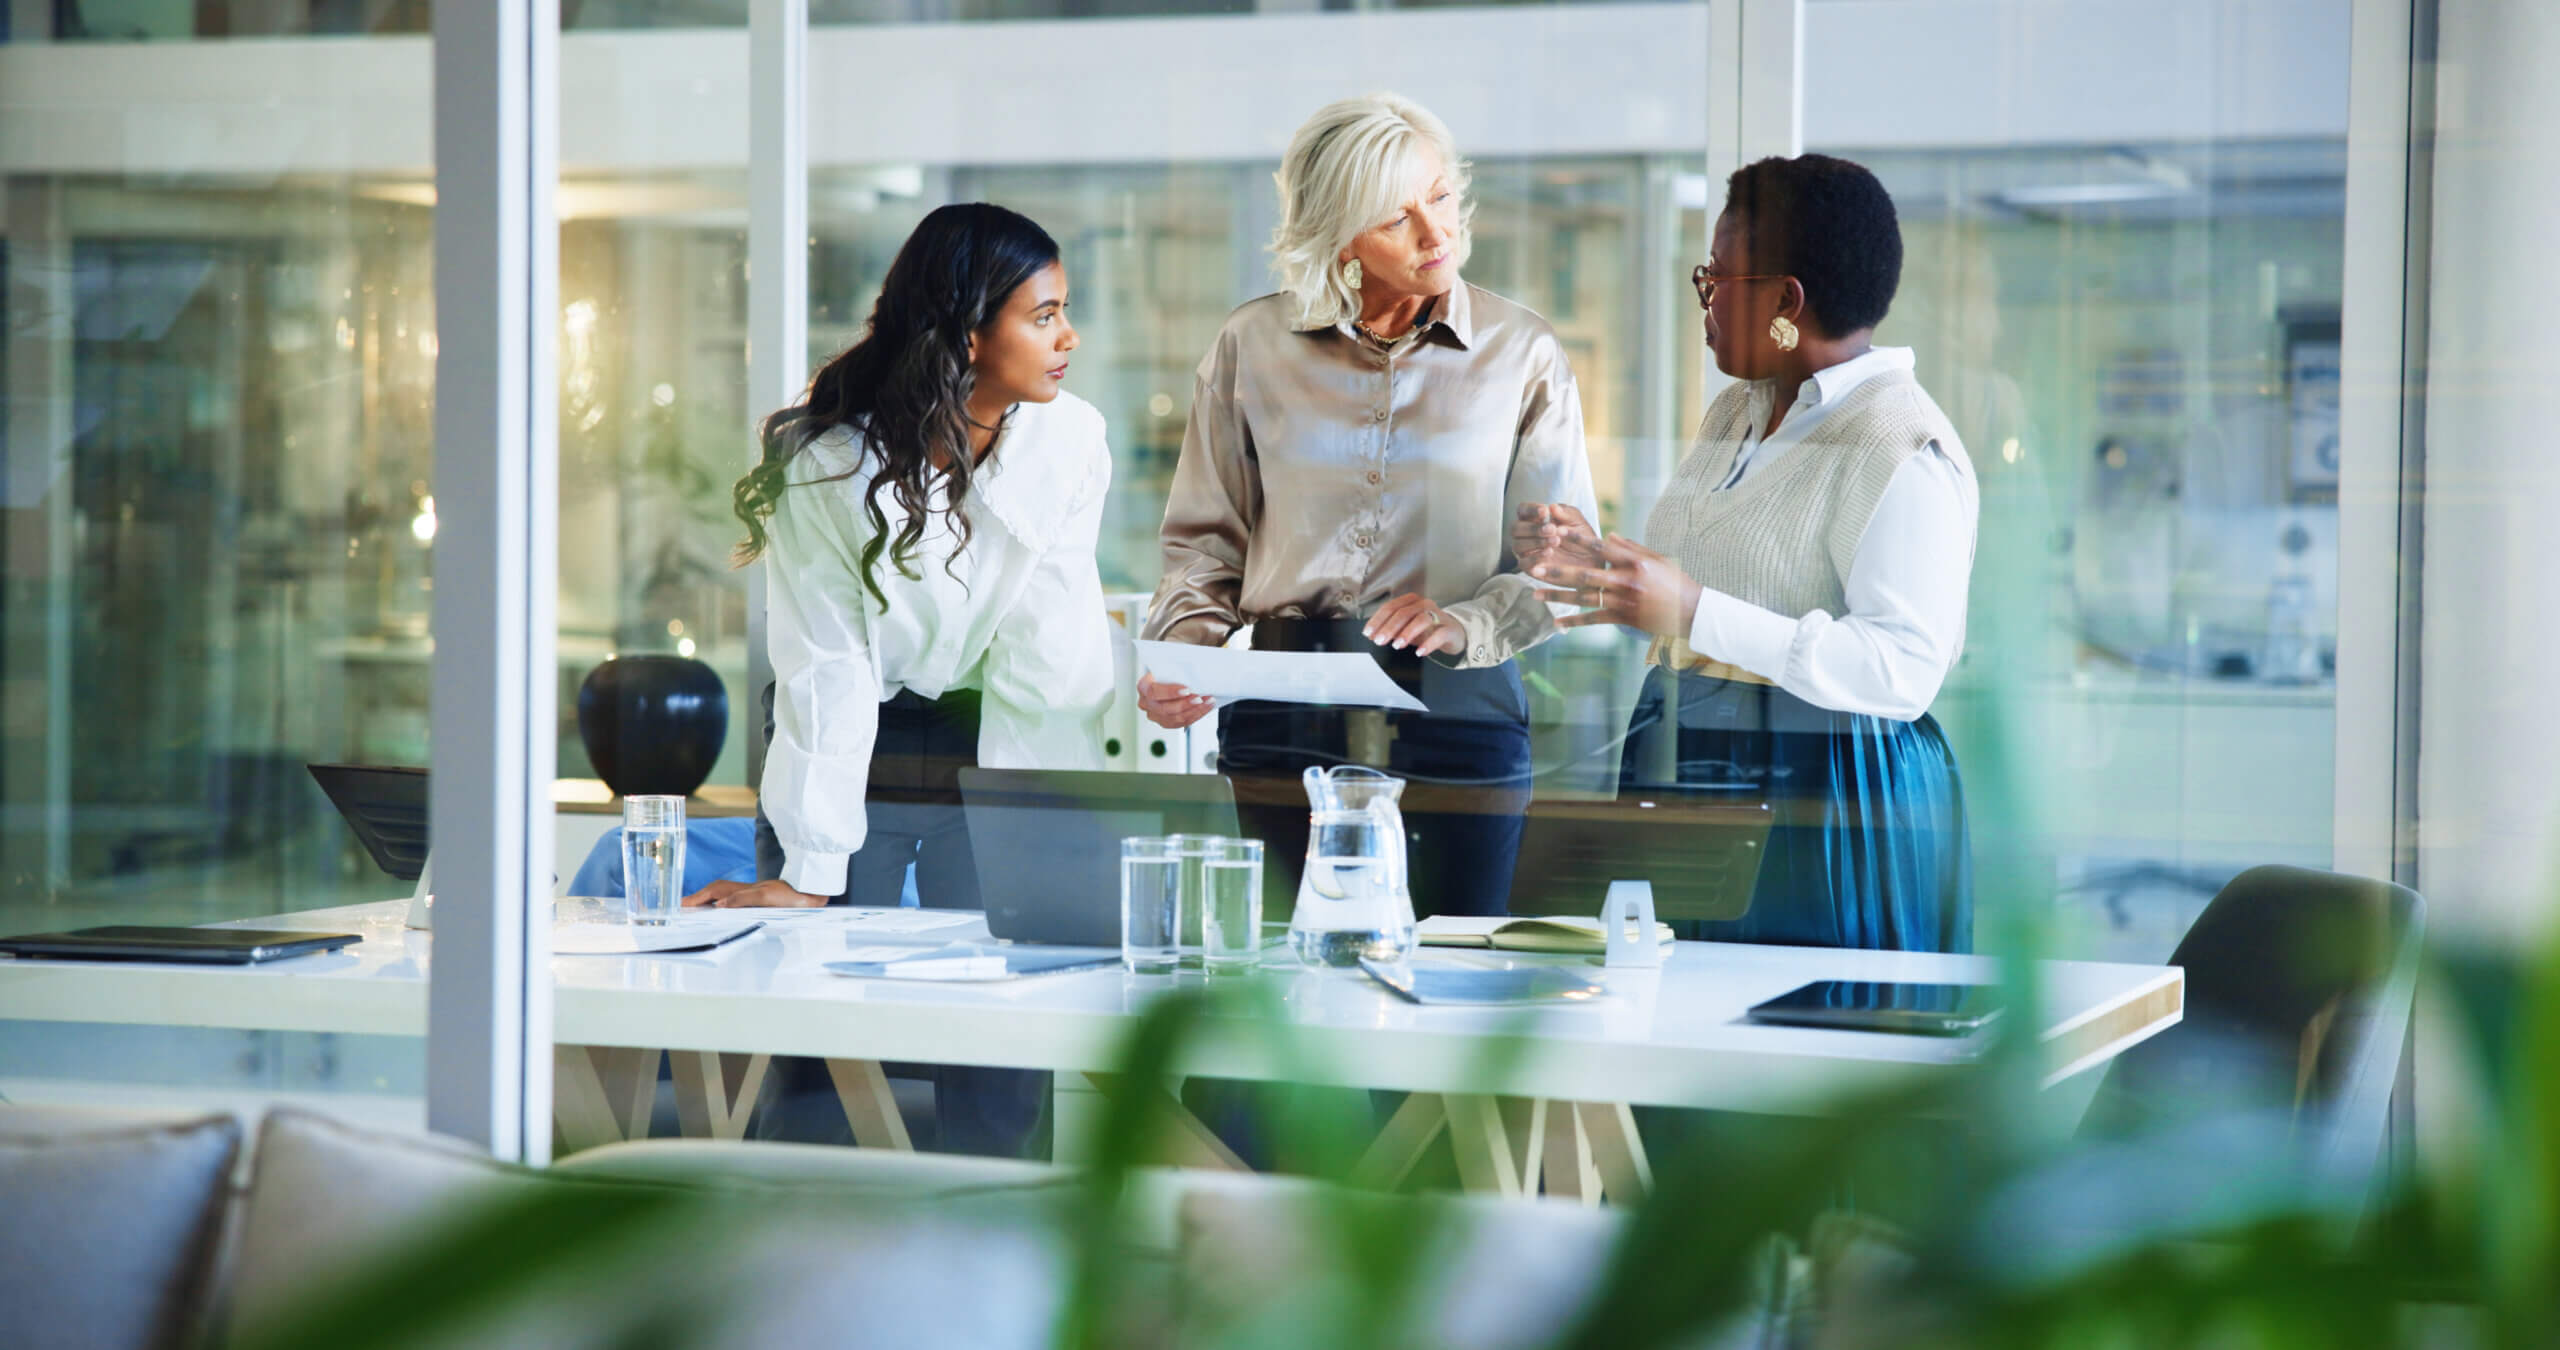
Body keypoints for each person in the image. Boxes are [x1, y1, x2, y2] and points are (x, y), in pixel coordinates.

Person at [684, 202, 1115, 1156]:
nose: (1068, 337)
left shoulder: (1070, 439)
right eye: (1043, 315)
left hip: (988, 740)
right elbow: (827, 663)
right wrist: (810, 867)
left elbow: (1048, 652)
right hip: (845, 739)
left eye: (1064, 311)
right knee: (818, 1042)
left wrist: (1035, 832)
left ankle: (994, 1250)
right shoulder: (824, 463)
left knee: (999, 1049)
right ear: (971, 333)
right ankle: (814, 1245)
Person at [1136, 92, 1597, 920]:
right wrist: (1183, 653)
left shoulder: (1523, 353)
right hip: (1282, 716)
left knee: (1455, 988)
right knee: (1286, 992)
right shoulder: (1252, 345)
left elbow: (1563, 563)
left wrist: (1467, 624)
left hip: (1460, 711)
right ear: (1338, 233)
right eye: (1397, 218)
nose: (1437, 233)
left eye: (1443, 197)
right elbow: (1204, 547)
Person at [1519, 154, 1976, 954]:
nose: (1704, 300)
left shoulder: (1900, 444)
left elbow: (1903, 669)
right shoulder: (1739, 409)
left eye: (1716, 278)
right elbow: (1705, 584)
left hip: (1830, 791)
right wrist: (1596, 563)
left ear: (1785, 301)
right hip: (1693, 762)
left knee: (1806, 1050)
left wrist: (1694, 612)